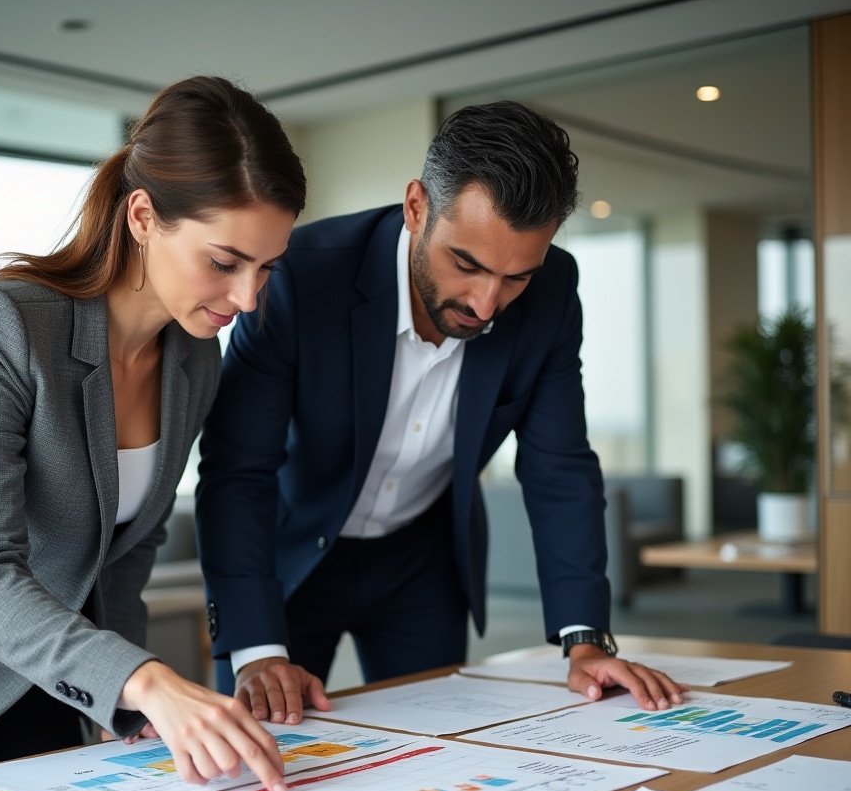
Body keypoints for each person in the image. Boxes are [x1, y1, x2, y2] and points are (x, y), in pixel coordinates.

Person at [0, 75, 305, 791]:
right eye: (224, 262)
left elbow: (128, 551)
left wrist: (124, 704)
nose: (247, 298)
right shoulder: (2, 325)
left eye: (266, 268)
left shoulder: (194, 358)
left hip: (34, 669)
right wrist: (146, 681)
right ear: (143, 216)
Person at [195, 99, 685, 725]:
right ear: (416, 207)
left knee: (440, 747)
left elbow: (559, 465)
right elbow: (238, 468)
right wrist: (257, 649)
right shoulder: (300, 275)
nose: (487, 304)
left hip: (421, 563)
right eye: (467, 264)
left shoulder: (554, 291)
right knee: (262, 743)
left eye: (516, 277)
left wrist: (585, 639)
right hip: (285, 555)